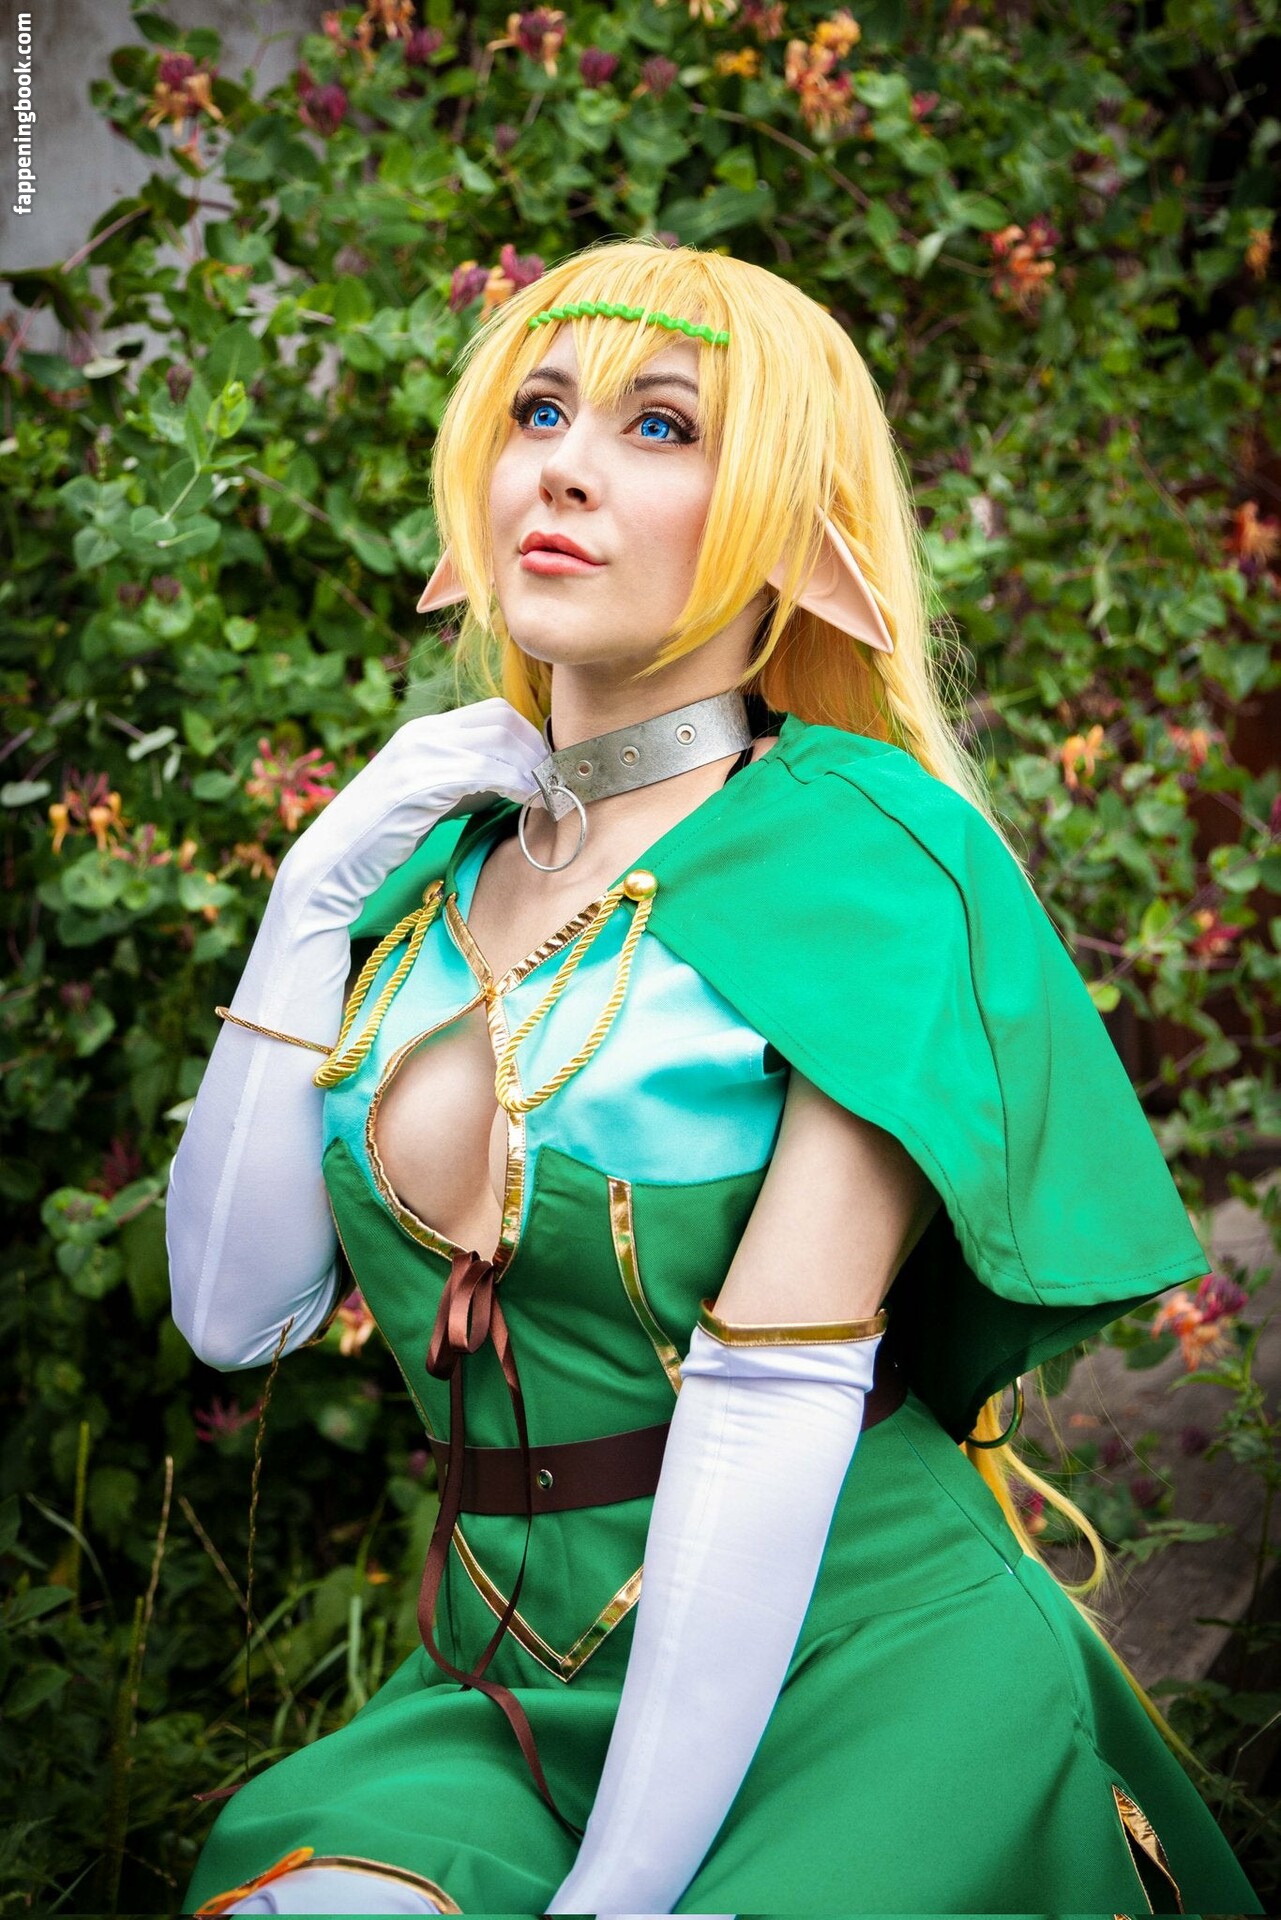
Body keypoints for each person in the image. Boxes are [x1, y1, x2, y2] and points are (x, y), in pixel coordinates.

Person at [169, 238, 1262, 1917]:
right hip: (509, 1697)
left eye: (661, 427)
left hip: (865, 1669)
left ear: (789, 533)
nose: (565, 466)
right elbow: (233, 1315)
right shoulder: (415, 884)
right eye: (539, 412)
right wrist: (309, 893)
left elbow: (765, 1410)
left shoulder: (871, 868)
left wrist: (613, 1899)